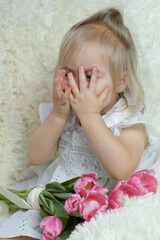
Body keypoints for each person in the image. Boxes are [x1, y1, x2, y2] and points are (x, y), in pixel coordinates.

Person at [0, 7, 159, 240]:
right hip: (55, 206)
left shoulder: (129, 120)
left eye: (89, 76)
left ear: (120, 82)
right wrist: (57, 116)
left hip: (104, 208)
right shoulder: (65, 115)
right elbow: (35, 156)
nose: (77, 85)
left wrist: (90, 117)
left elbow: (121, 167)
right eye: (69, 74)